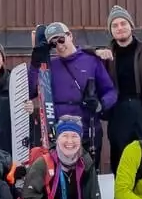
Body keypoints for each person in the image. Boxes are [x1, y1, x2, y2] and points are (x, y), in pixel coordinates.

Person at [96, 6, 142, 171]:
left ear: (131, 26)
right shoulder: (108, 56)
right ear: (111, 31)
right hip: (118, 111)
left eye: (123, 23)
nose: (120, 28)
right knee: (121, 159)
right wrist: (97, 54)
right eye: (114, 25)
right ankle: (122, 194)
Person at [38, 23, 117, 168]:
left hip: (88, 131)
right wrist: (37, 53)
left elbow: (110, 91)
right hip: (60, 133)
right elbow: (33, 88)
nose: (59, 46)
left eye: (61, 40)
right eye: (54, 44)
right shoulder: (50, 66)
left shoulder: (91, 60)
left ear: (70, 36)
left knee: (89, 175)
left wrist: (101, 105)